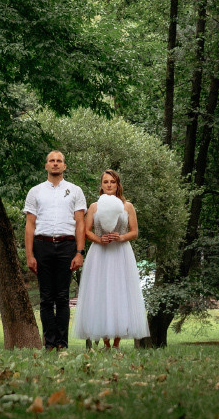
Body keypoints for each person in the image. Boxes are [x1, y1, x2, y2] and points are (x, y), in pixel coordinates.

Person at [73, 169, 149, 349]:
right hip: (100, 254)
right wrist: (100, 239)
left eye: (112, 182)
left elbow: (134, 231)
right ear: (101, 185)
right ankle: (105, 342)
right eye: (105, 182)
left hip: (121, 253)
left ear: (118, 185)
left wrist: (120, 237)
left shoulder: (127, 206)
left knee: (119, 293)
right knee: (101, 293)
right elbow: (85, 230)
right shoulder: (94, 207)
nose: (108, 185)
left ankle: (116, 343)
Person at [23, 150, 87, 350]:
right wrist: (29, 254)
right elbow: (30, 225)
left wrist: (79, 252)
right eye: (52, 161)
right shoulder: (35, 191)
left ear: (64, 166)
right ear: (46, 165)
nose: (55, 164)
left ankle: (62, 344)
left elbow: (80, 223)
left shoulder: (75, 191)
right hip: (42, 246)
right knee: (46, 298)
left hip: (67, 246)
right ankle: (49, 344)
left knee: (62, 297)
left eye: (59, 161)